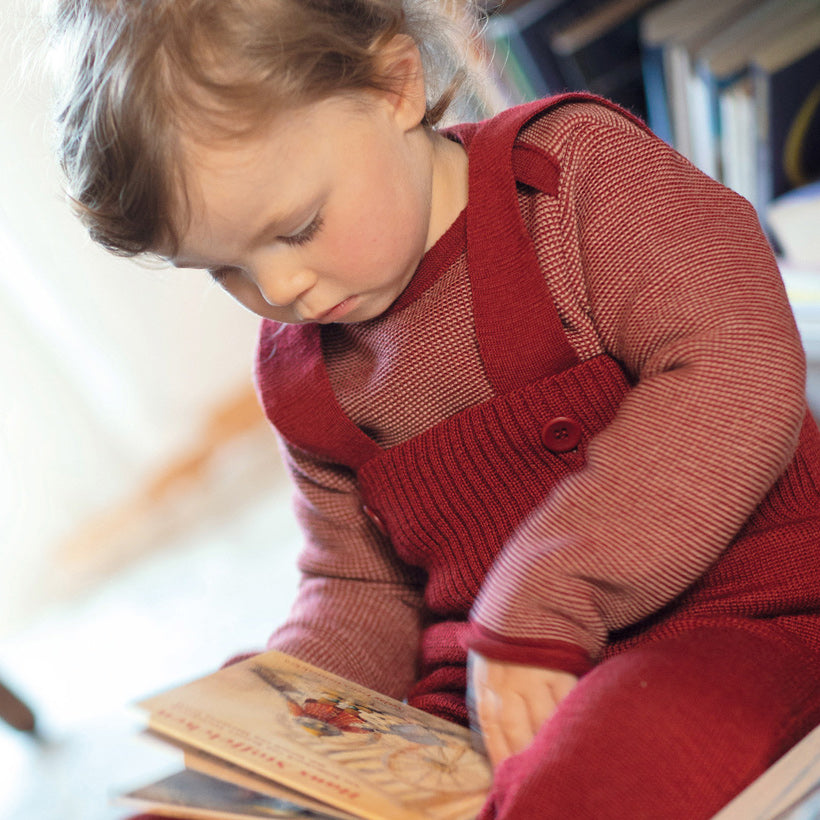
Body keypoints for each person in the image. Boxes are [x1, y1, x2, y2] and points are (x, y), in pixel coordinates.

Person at [49, 1, 820, 817]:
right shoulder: (300, 365)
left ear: (395, 84)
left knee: (578, 793)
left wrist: (551, 590)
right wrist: (275, 716)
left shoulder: (574, 177)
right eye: (223, 269)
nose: (277, 292)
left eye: (299, 228)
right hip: (477, 688)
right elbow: (360, 586)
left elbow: (737, 367)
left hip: (739, 614)